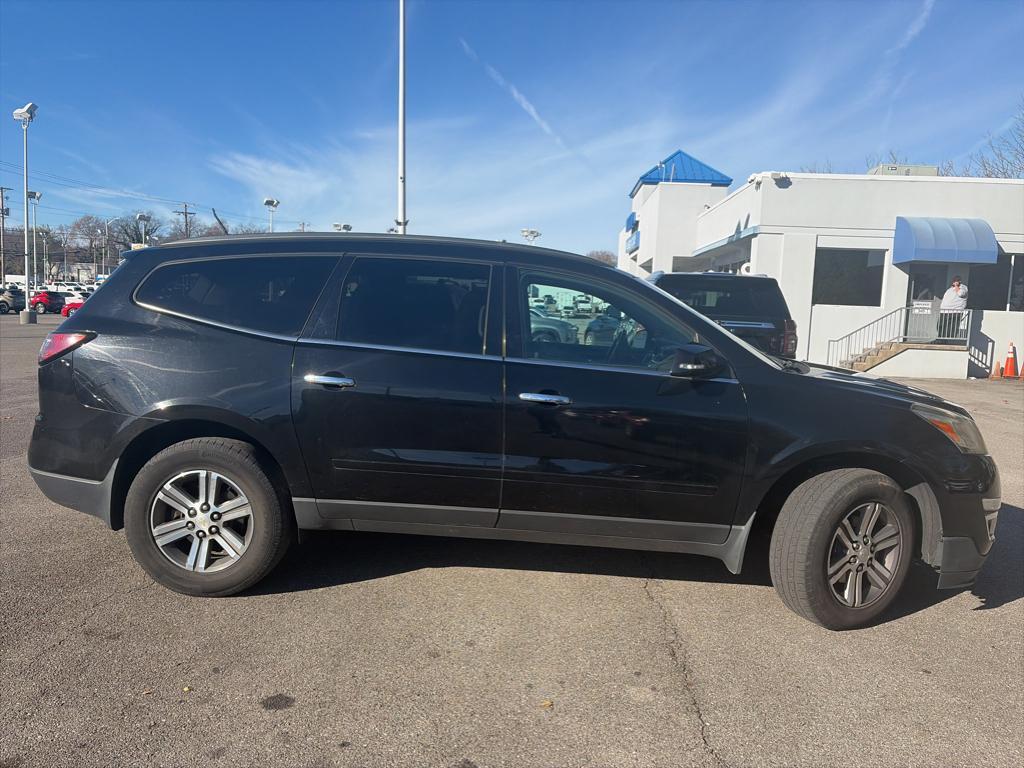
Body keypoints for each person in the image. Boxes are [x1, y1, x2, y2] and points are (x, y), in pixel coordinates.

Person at [938, 275, 968, 340]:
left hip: (955, 312)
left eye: (956, 281)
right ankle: (940, 339)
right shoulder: (950, 289)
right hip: (944, 311)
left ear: (959, 281)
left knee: (950, 328)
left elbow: (961, 294)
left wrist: (957, 286)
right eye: (954, 280)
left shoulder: (963, 287)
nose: (954, 282)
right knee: (940, 326)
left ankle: (947, 340)